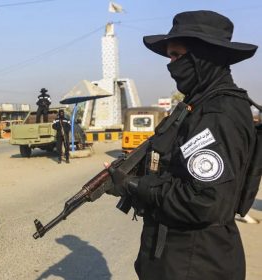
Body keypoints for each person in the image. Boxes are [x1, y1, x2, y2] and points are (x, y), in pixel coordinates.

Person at [107, 10, 258, 280]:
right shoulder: (195, 106)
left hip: (196, 263)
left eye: (177, 56)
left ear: (202, 56)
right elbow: (173, 169)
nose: (171, 65)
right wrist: (128, 174)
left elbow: (204, 200)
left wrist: (135, 186)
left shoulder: (218, 113)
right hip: (176, 258)